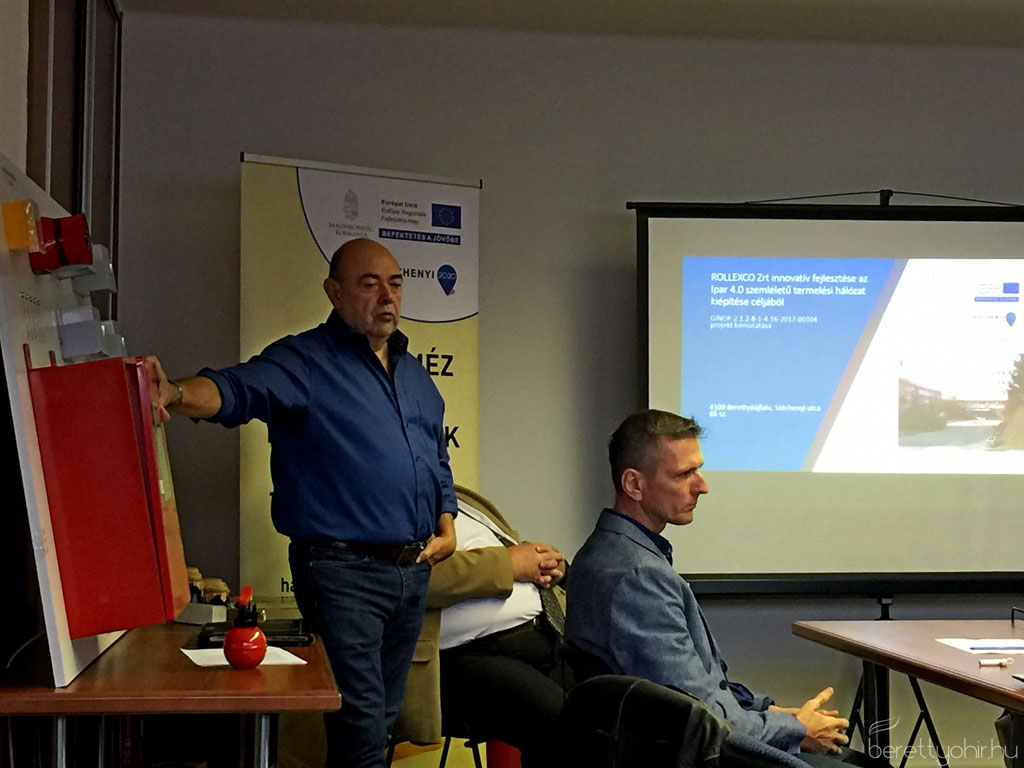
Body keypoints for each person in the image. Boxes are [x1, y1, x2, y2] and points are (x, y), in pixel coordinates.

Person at [145, 237, 457, 768]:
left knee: (380, 726)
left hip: (412, 574)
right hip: (344, 573)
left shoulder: (415, 374)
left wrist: (446, 522)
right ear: (334, 293)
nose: (387, 297)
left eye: (395, 284)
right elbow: (237, 389)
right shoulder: (305, 360)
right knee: (361, 731)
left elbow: (435, 459)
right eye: (370, 284)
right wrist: (174, 392)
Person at [565, 409, 850, 760]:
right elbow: (704, 718)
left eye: (697, 470)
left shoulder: (615, 553)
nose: (702, 486)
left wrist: (775, 713)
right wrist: (798, 730)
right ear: (634, 485)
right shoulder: (636, 576)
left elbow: (702, 692)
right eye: (684, 474)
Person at [393, 485, 566, 767]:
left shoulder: (458, 497)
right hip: (455, 658)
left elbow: (509, 548)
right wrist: (508, 564)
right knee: (565, 722)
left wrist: (546, 561)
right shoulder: (393, 501)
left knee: (609, 702)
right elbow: (409, 579)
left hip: (548, 630)